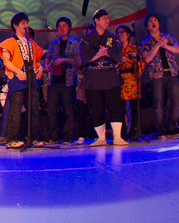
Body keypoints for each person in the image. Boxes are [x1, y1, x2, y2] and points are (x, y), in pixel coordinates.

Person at [80, 9, 129, 146]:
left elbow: (117, 52)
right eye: (104, 19)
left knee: (115, 107)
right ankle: (101, 138)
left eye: (108, 18)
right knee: (96, 108)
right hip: (94, 77)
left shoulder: (112, 38)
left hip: (110, 76)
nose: (108, 21)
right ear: (96, 21)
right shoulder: (86, 39)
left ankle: (117, 137)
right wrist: (98, 54)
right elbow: (85, 56)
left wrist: (106, 53)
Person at [0, 13, 45, 148]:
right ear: (15, 25)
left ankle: (33, 138)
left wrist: (40, 68)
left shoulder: (31, 43)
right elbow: (6, 61)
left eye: (27, 23)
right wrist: (18, 71)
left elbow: (36, 61)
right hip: (17, 78)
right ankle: (11, 139)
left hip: (31, 78)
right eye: (23, 23)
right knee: (16, 109)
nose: (26, 26)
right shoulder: (9, 42)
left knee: (34, 109)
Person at [140, 15, 179, 137]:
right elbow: (147, 58)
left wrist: (165, 45)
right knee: (158, 104)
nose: (153, 23)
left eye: (155, 21)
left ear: (159, 24)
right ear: (147, 27)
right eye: (150, 21)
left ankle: (172, 127)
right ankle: (161, 130)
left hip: (172, 73)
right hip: (156, 75)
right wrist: (157, 45)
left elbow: (178, 49)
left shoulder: (167, 37)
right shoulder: (145, 43)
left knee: (176, 101)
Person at [44, 16, 81, 143]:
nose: (61, 28)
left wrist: (64, 60)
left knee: (69, 110)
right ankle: (53, 136)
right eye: (59, 26)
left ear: (69, 28)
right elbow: (47, 57)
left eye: (64, 26)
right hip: (54, 81)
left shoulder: (75, 43)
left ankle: (67, 136)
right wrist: (47, 65)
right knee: (51, 110)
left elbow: (78, 62)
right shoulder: (54, 43)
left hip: (68, 81)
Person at [116, 23, 142, 140]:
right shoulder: (116, 50)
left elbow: (141, 65)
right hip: (120, 79)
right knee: (120, 108)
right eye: (118, 33)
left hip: (132, 79)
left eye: (122, 32)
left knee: (134, 107)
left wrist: (135, 59)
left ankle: (135, 131)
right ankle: (121, 133)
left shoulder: (135, 49)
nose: (120, 35)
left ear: (128, 35)